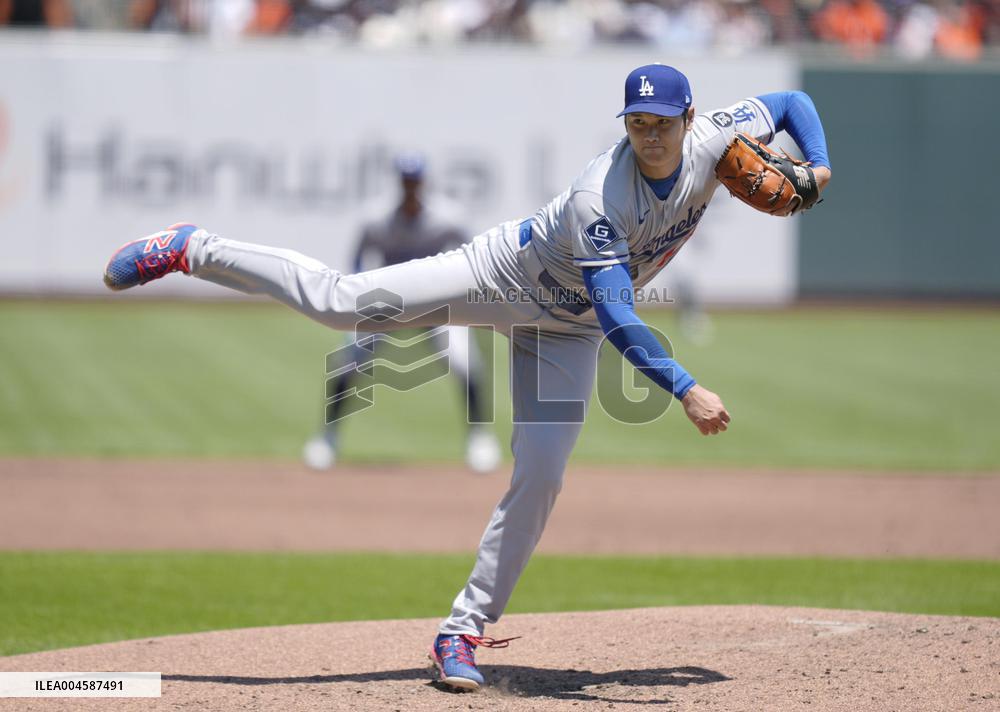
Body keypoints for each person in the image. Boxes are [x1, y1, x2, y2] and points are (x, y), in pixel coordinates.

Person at [103, 63, 831, 692]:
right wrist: (684, 386)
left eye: (660, 122)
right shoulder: (599, 198)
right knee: (340, 303)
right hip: (497, 278)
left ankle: (461, 631)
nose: (648, 133)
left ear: (688, 119)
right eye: (636, 121)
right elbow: (617, 316)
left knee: (542, 474)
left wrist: (819, 161)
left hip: (563, 333)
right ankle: (193, 248)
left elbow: (793, 106)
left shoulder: (713, 140)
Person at [302, 154, 502, 474]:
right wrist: (360, 303)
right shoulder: (376, 219)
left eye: (415, 180)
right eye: (406, 181)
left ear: (423, 182)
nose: (410, 186)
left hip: (438, 306)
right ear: (399, 182)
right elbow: (356, 261)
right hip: (389, 304)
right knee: (349, 360)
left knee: (465, 363)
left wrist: (470, 302)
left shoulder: (447, 217)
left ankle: (480, 438)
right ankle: (327, 439)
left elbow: (476, 256)